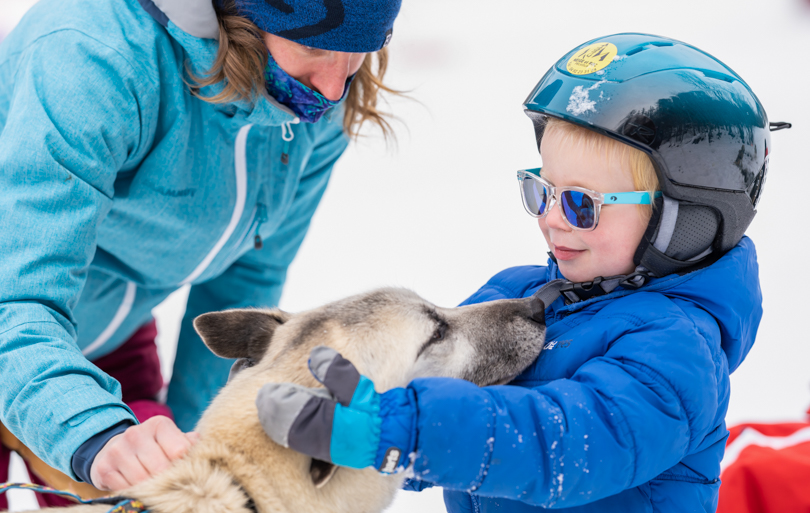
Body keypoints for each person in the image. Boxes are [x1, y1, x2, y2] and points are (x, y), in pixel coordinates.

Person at [254, 33, 790, 512]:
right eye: (544, 191)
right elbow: (436, 376)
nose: (551, 219)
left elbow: (560, 443)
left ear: (683, 221)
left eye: (582, 203)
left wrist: (398, 431)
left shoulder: (676, 351)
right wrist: (333, 395)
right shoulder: (521, 294)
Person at [0, 0, 402, 508]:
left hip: (107, 336)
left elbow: (248, 273)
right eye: (314, 45)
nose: (333, 87)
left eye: (364, 48)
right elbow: (15, 298)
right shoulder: (92, 57)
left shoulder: (316, 101)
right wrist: (93, 432)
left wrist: (200, 451)